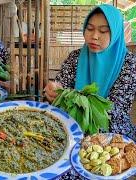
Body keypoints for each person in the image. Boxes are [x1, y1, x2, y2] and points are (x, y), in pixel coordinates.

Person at [45, 4, 136, 180]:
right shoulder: (74, 58)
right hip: (71, 127)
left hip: (111, 134)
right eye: (90, 28)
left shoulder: (129, 64)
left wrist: (70, 97)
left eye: (103, 31)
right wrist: (52, 93)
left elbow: (112, 110)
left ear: (116, 33)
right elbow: (59, 90)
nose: (94, 36)